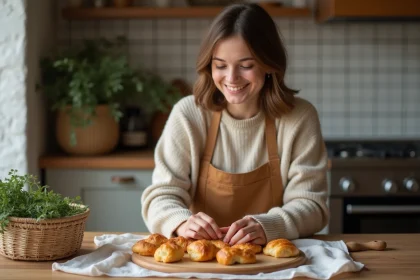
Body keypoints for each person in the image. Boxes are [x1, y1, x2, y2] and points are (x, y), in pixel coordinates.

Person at [141, 3, 329, 246]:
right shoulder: (188, 114)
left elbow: (313, 205)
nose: (231, 78)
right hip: (201, 262)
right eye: (220, 65)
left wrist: (269, 226)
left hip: (272, 262)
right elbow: (161, 195)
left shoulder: (300, 117)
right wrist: (181, 222)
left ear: (269, 65)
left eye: (246, 66)